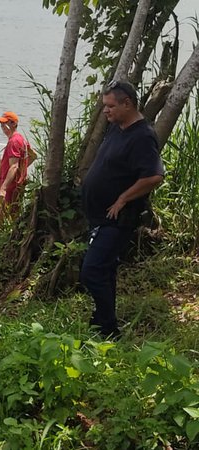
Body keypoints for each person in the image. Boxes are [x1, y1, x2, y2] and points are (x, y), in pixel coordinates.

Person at [80, 80, 164, 337]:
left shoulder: (143, 136)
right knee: (105, 269)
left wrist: (123, 199)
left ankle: (107, 326)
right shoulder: (117, 127)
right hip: (100, 215)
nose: (105, 111)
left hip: (119, 218)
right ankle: (105, 324)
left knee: (92, 271)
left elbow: (153, 176)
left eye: (110, 106)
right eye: (105, 106)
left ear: (127, 103)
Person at [0, 111, 32, 221]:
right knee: (13, 217)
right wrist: (22, 172)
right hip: (16, 185)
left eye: (6, 123)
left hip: (10, 187)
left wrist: (3, 189)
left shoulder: (13, 141)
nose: (2, 126)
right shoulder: (21, 139)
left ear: (14, 124)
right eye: (1, 124)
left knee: (2, 219)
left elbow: (13, 166)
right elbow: (33, 155)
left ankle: (1, 237)